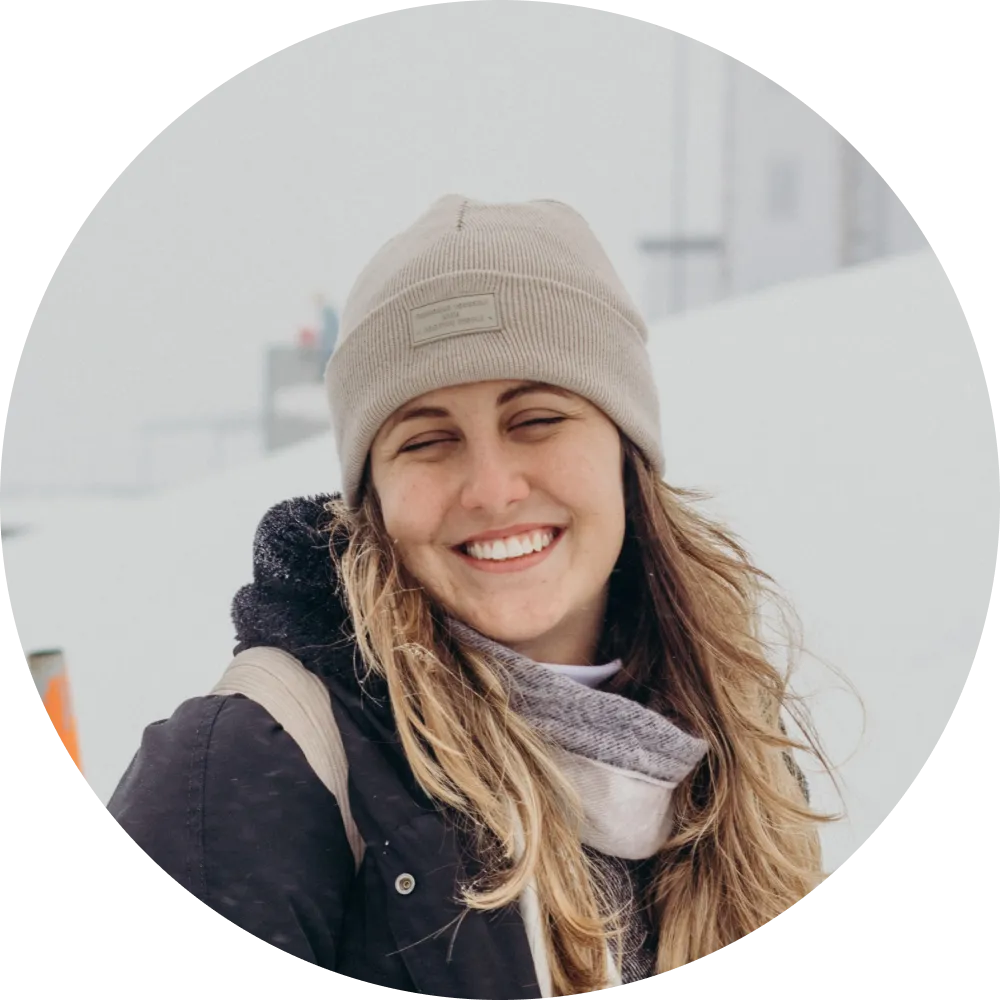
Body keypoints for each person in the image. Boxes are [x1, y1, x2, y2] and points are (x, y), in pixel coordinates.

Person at [106, 195, 834, 998]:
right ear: (372, 493)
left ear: (627, 452)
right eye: (427, 439)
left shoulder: (738, 752)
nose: (491, 489)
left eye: (537, 419)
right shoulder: (248, 772)